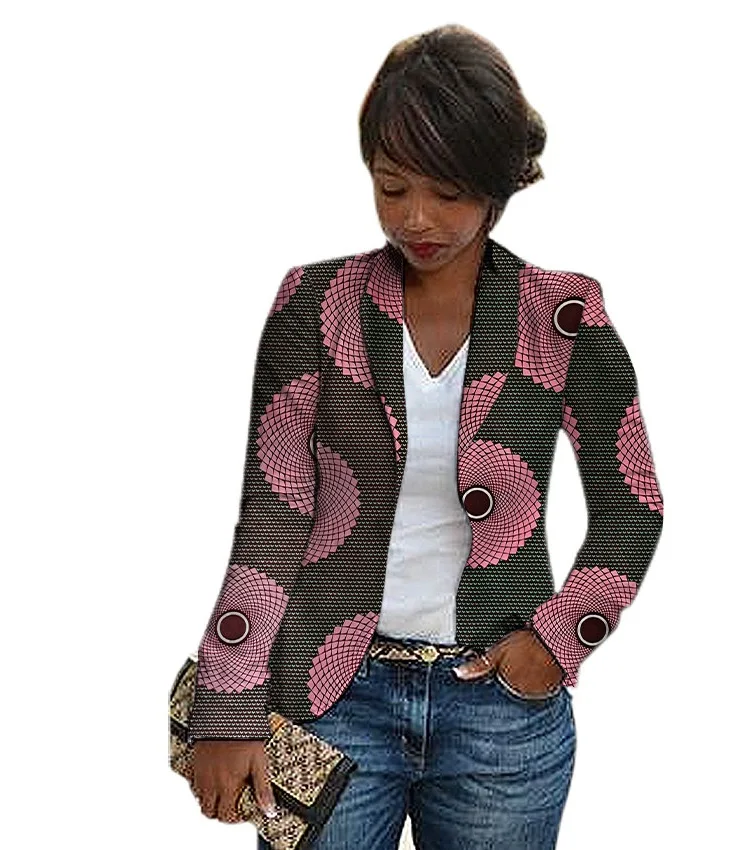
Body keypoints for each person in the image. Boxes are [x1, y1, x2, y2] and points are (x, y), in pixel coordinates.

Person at [188, 23, 664, 850]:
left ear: (498, 185)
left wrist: (557, 641)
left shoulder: (561, 315)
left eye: (448, 192)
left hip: (500, 714)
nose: (416, 218)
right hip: (331, 698)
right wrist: (227, 701)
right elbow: (273, 513)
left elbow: (633, 507)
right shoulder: (315, 305)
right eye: (392, 186)